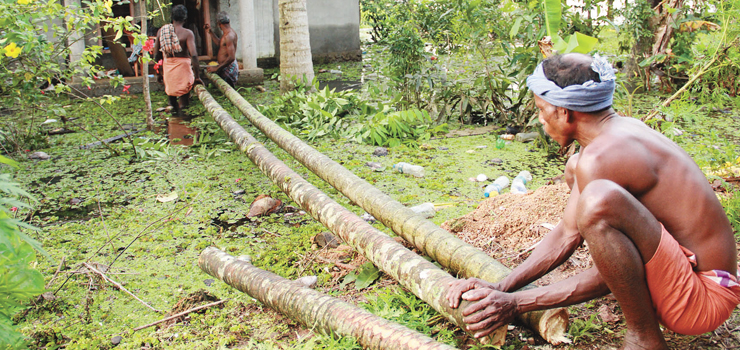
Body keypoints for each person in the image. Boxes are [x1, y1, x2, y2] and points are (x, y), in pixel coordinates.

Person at [446, 53, 739, 349]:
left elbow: (610, 275)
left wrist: (514, 304)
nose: (540, 119)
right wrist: (501, 287)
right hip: (687, 276)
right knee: (577, 169)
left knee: (597, 199)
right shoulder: (608, 138)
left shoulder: (604, 156)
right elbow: (566, 234)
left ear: (564, 112)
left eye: (541, 109)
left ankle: (644, 337)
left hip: (703, 297)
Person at [152, 4, 202, 117]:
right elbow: (194, 55)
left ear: (172, 17)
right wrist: (197, 76)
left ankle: (173, 128)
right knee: (184, 103)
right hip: (183, 69)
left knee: (172, 101)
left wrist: (159, 72)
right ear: (185, 18)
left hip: (168, 68)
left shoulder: (161, 31)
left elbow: (156, 55)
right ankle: (184, 126)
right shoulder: (187, 33)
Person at [204, 12, 238, 87]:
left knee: (229, 91)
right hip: (224, 66)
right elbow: (221, 45)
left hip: (229, 68)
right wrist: (210, 32)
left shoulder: (229, 35)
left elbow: (231, 57)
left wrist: (217, 68)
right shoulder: (226, 34)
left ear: (219, 23)